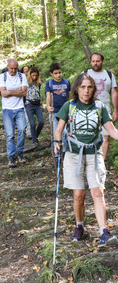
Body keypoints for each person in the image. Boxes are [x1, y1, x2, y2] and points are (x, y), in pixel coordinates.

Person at [55, 73, 118, 247]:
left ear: (93, 89)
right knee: (79, 195)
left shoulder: (99, 107)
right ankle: (79, 225)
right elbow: (59, 129)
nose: (86, 91)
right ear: (77, 88)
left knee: (98, 192)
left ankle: (104, 231)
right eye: (82, 87)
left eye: (89, 87)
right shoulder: (69, 106)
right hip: (74, 154)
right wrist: (57, 142)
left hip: (94, 153)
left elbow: (111, 130)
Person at [84, 52, 118, 161]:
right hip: (88, 109)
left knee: (106, 136)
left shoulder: (109, 75)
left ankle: (101, 163)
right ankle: (89, 161)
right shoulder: (85, 74)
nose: (95, 63)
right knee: (88, 136)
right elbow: (78, 90)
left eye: (97, 61)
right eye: (93, 61)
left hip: (105, 109)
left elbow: (114, 92)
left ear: (102, 61)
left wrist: (115, 110)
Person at [0, 58, 28, 167]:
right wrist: (17, 91)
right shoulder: (3, 76)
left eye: (15, 68)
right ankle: (11, 157)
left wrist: (9, 91)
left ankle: (19, 152)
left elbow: (24, 93)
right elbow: (3, 93)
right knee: (10, 135)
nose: (13, 71)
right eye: (11, 68)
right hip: (7, 109)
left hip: (20, 108)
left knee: (22, 129)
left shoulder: (22, 76)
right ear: (7, 67)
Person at [45, 63, 71, 151]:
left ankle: (65, 151)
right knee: (55, 131)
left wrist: (70, 106)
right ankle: (57, 152)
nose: (58, 75)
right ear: (51, 74)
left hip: (64, 111)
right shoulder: (49, 84)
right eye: (56, 73)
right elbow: (48, 96)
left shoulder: (66, 82)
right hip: (54, 110)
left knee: (64, 132)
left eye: (59, 72)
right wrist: (48, 106)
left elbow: (68, 95)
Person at [25, 66, 44, 147]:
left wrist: (42, 104)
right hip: (29, 104)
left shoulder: (38, 83)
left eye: (36, 75)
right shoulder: (26, 83)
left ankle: (35, 136)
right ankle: (34, 140)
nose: (34, 77)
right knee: (32, 123)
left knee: (41, 122)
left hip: (37, 104)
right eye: (33, 75)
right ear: (30, 75)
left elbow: (38, 94)